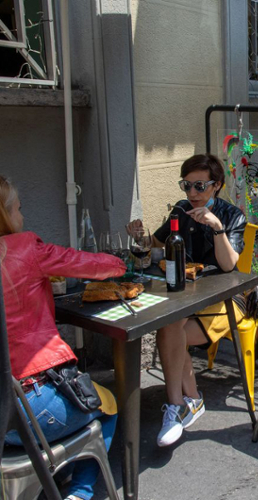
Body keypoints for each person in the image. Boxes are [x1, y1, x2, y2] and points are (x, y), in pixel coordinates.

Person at [0, 176, 126, 500]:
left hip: (6, 418)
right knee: (109, 406)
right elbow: (83, 263)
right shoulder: (25, 247)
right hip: (33, 403)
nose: (23, 216)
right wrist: (119, 263)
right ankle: (80, 493)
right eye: (18, 209)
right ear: (5, 215)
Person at [127, 153, 246, 447]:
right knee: (169, 324)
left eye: (200, 186)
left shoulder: (232, 216)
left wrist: (216, 226)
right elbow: (155, 244)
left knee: (169, 328)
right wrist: (140, 237)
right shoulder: (181, 210)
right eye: (187, 186)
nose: (192, 193)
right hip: (186, 296)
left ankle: (183, 403)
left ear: (216, 185)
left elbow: (230, 265)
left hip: (227, 299)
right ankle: (186, 401)